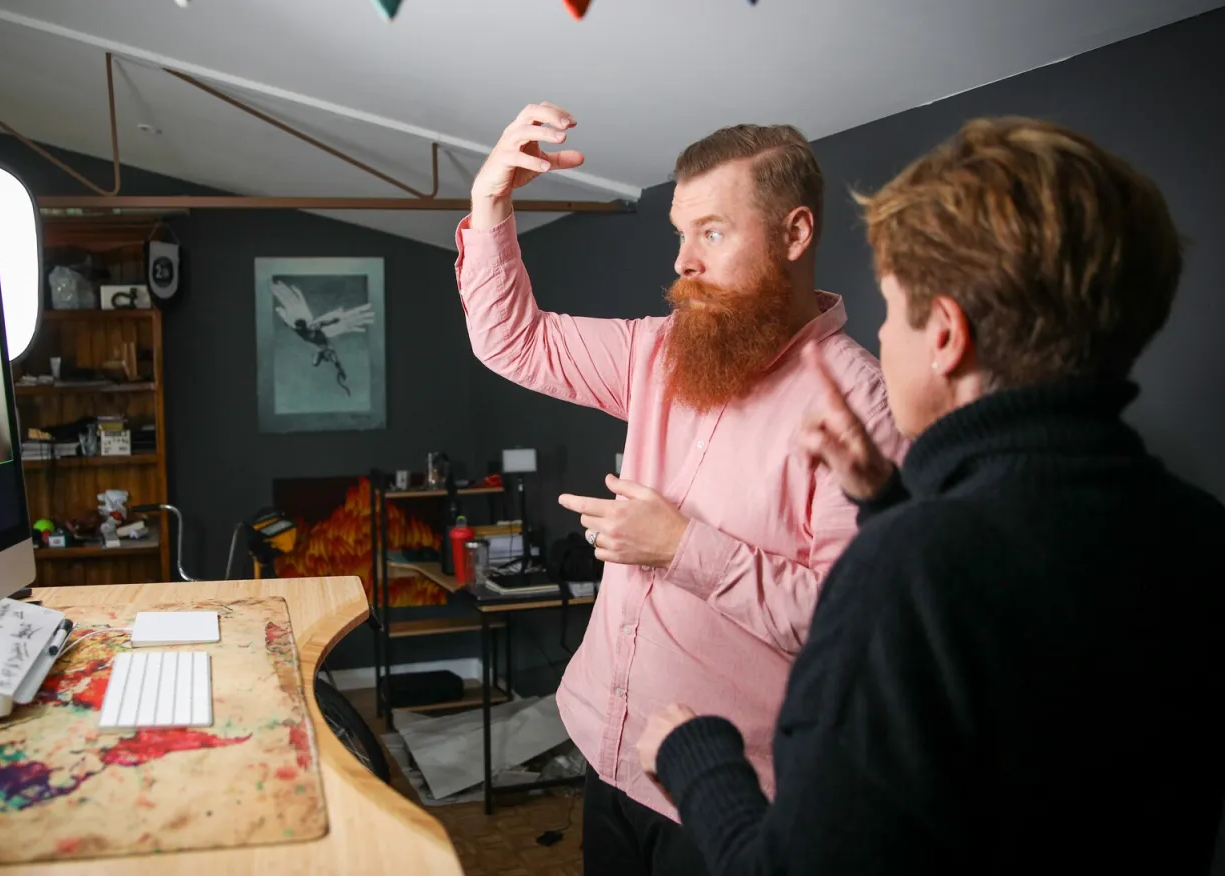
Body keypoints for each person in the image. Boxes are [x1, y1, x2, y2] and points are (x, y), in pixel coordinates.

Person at [636, 116, 1225, 873]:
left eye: (888, 310)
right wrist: (888, 499)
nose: (879, 338)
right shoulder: (1201, 530)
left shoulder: (908, 570)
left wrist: (698, 755)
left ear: (945, 336)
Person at [456, 102, 907, 874]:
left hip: (728, 802)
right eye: (679, 233)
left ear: (796, 234)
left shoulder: (863, 407)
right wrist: (490, 207)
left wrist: (683, 549)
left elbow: (850, 623)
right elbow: (515, 339)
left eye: (713, 232)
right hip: (610, 750)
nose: (683, 263)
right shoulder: (657, 351)